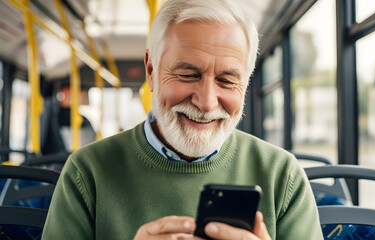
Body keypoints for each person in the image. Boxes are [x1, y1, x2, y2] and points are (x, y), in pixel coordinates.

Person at [42, 0, 323, 239]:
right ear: (151, 71)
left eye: (226, 81)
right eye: (188, 75)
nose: (206, 102)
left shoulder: (282, 176)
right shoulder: (87, 172)